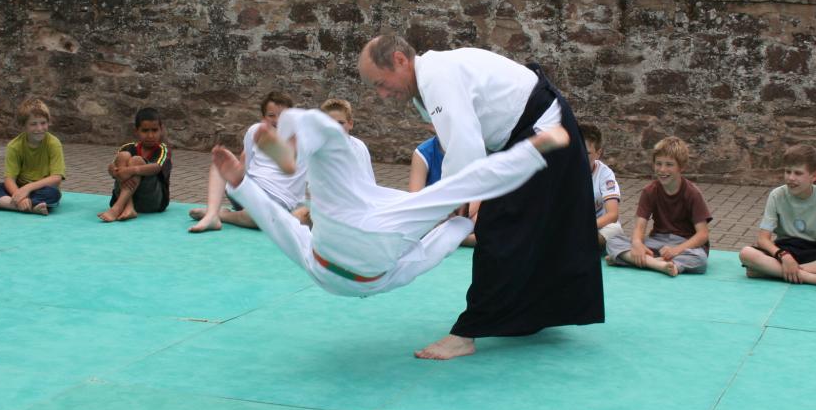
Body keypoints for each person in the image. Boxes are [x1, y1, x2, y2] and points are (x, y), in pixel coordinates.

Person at [358, 34, 604, 361]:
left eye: (380, 83)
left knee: (500, 229)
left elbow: (466, 148)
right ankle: (535, 314)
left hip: (545, 135)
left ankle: (466, 333)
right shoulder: (430, 80)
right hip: (536, 132)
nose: (383, 94)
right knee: (536, 229)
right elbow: (456, 141)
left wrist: (452, 202)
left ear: (400, 60)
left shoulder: (436, 77)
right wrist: (456, 199)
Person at [214, 107, 569, 296]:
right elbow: (281, 227)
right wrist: (457, 224)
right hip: (364, 248)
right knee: (458, 187)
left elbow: (280, 225)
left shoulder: (321, 260)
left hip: (342, 244)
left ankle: (295, 146)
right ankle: (532, 150)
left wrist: (243, 185)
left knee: (456, 189)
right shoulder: (327, 264)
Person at [738, 144, 816, 289]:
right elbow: (763, 239)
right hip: (785, 248)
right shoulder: (777, 195)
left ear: (814, 176)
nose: (791, 178)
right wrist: (784, 256)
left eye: (798, 173)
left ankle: (772, 272)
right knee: (746, 253)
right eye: (788, 172)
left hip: (815, 250)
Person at [188, 91, 308, 233]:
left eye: (283, 115)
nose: (277, 120)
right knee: (219, 162)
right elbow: (246, 163)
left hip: (278, 200)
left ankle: (223, 215)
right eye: (271, 115)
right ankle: (212, 215)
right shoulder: (255, 131)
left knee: (261, 217)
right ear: (263, 117)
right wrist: (233, 172)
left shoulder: (304, 139)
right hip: (248, 193)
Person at [607, 135, 712, 276]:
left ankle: (630, 259)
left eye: (669, 164)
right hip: (657, 242)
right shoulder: (649, 191)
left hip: (685, 244)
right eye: (658, 164)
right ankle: (660, 264)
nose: (662, 170)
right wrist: (637, 243)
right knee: (613, 241)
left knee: (700, 260)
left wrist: (676, 250)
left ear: (681, 167)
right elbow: (639, 227)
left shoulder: (692, 193)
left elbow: (703, 234)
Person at [0, 97, 65, 214]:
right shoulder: (14, 146)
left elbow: (56, 178)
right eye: (33, 124)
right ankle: (28, 207)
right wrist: (20, 196)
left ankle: (7, 203)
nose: (39, 128)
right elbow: (9, 179)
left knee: (52, 194)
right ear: (24, 126)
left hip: (40, 190)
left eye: (43, 123)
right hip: (17, 189)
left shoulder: (53, 143)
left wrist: (27, 189)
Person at [408, 127, 477, 248]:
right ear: (431, 125)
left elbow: (479, 195)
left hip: (466, 216)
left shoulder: (473, 150)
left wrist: (463, 214)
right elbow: (415, 197)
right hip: (436, 215)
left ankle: (458, 238)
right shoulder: (423, 153)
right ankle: (458, 238)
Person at [100, 107, 171, 222]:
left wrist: (131, 170)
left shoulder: (162, 149)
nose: (150, 135)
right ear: (136, 131)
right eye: (145, 131)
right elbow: (113, 167)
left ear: (161, 130)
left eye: (154, 130)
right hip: (130, 198)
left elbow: (156, 168)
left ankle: (117, 208)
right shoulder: (127, 147)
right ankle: (128, 207)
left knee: (136, 160)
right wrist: (113, 170)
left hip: (152, 201)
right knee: (123, 156)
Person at [579, 124, 625, 251]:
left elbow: (612, 215)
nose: (581, 156)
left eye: (587, 153)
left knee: (615, 229)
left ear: (598, 153)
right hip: (571, 226)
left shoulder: (605, 174)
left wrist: (585, 227)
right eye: (578, 149)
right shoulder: (563, 170)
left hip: (597, 226)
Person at [320, 97, 373, 180]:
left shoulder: (359, 146)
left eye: (340, 123)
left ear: (350, 124)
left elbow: (368, 176)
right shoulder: (319, 149)